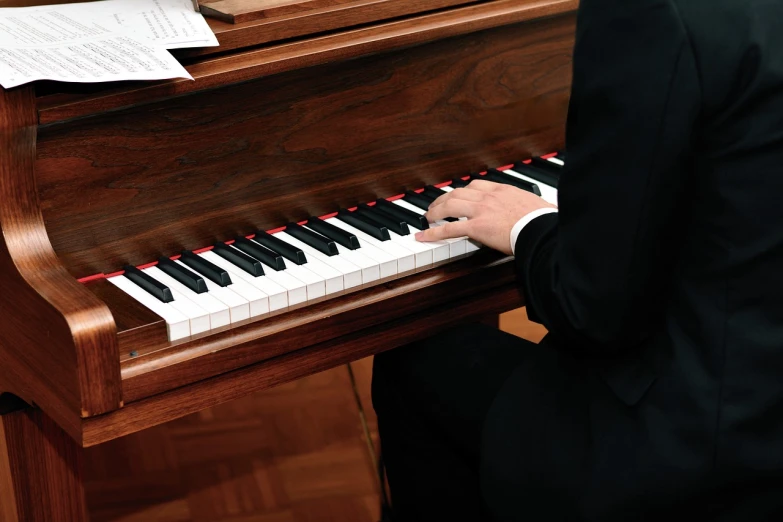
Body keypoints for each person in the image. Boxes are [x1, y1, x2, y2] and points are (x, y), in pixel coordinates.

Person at [371, 0, 783, 520]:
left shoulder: (653, 12)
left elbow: (594, 312)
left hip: (700, 452)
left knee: (414, 363)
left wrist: (528, 226)